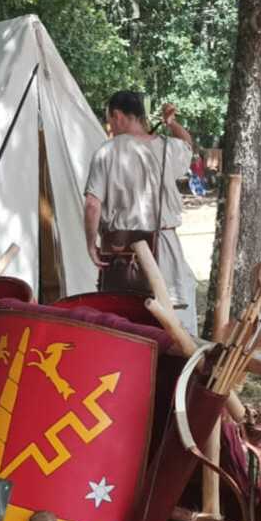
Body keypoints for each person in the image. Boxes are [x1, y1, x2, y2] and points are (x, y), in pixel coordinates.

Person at [84, 90, 198, 336]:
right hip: (164, 245)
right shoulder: (169, 147)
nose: (110, 126)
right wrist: (172, 123)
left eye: (109, 119)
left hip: (119, 250)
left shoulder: (106, 151)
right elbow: (188, 143)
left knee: (123, 319)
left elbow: (93, 203)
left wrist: (91, 243)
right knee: (171, 321)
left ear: (117, 115)